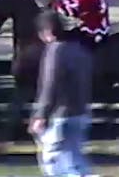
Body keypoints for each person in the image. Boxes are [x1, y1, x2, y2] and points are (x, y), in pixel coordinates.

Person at [29, 10, 94, 177]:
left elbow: (49, 84)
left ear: (47, 31)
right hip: (81, 113)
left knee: (54, 163)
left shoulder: (55, 51)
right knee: (75, 161)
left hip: (60, 116)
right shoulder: (80, 50)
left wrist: (40, 115)